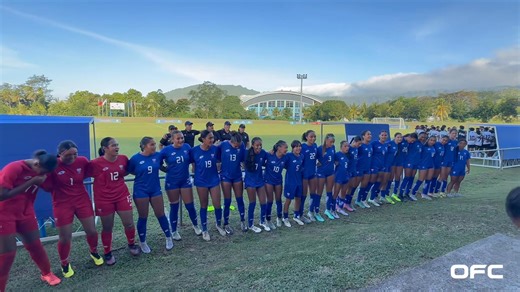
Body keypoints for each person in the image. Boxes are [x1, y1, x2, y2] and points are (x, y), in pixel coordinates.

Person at [0, 150, 61, 290]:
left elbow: (49, 186)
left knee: (35, 245)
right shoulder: (14, 168)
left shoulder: (42, 170)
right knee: (8, 254)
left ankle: (47, 273)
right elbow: (1, 195)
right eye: (42, 172)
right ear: (36, 164)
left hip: (25, 212)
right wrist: (32, 181)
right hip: (3, 214)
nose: (43, 175)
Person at [41, 141, 103, 278]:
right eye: (69, 155)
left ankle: (94, 251)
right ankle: (64, 263)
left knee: (92, 231)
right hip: (62, 204)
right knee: (65, 237)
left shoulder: (82, 161)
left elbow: (92, 171)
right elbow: (46, 187)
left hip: (82, 200)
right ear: (60, 154)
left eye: (75, 154)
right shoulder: (53, 165)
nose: (73, 157)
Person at [86, 137, 140, 265]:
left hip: (121, 195)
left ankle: (132, 244)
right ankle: (107, 252)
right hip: (104, 199)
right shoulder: (95, 163)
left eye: (117, 145)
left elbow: (125, 172)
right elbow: (82, 174)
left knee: (129, 223)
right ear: (105, 148)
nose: (117, 147)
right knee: (107, 227)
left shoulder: (123, 159)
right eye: (113, 145)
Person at [127, 137, 172, 254]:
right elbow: (130, 170)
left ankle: (168, 237)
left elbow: (161, 166)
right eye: (152, 144)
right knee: (143, 216)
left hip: (155, 189)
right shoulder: (135, 158)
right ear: (144, 146)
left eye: (155, 144)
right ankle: (143, 241)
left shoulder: (157, 156)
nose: (154, 146)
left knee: (160, 214)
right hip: (141, 190)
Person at [161, 131, 202, 240]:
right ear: (172, 140)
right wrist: (165, 169)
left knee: (190, 205)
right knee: (174, 207)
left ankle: (196, 225)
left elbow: (194, 158)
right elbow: (157, 161)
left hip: (185, 181)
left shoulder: (187, 147)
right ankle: (174, 230)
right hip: (172, 182)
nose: (180, 140)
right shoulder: (166, 150)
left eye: (182, 138)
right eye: (178, 138)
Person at [190, 130, 226, 241]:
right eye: (210, 138)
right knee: (204, 205)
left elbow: (219, 161)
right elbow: (192, 164)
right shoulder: (194, 150)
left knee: (217, 204)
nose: (212, 140)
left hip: (214, 180)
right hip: (201, 181)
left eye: (213, 138)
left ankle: (218, 225)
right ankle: (204, 229)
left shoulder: (215, 149)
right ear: (203, 139)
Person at [217, 132, 247, 233]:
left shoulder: (241, 145)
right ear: (231, 141)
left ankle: (243, 220)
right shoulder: (223, 145)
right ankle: (226, 223)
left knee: (240, 199)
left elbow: (243, 160)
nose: (237, 147)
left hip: (237, 176)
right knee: (227, 201)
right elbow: (216, 157)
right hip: (225, 177)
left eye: (238, 145)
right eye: (235, 145)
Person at [244, 137, 269, 232]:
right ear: (253, 145)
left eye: (260, 145)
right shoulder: (247, 153)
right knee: (252, 203)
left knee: (263, 202)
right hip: (250, 181)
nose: (259, 147)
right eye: (257, 145)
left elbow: (269, 157)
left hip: (260, 180)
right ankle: (250, 224)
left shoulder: (263, 153)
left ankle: (262, 221)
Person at [264, 140, 288, 229]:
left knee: (278, 200)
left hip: (278, 181)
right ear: (279, 148)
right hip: (269, 181)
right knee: (269, 200)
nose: (286, 149)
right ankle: (268, 219)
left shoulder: (285, 157)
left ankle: (279, 217)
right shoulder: (269, 155)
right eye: (285, 147)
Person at [282, 140, 305, 227]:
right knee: (288, 200)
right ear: (292, 148)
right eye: (296, 146)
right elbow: (283, 164)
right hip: (290, 182)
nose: (298, 148)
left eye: (299, 146)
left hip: (298, 181)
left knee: (298, 198)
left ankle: (296, 216)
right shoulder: (288, 156)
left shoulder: (301, 156)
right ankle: (285, 218)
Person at [316, 134, 336, 219]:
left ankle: (328, 210)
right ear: (326, 140)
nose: (332, 143)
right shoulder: (320, 149)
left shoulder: (333, 147)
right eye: (330, 142)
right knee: (319, 193)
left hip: (330, 172)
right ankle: (316, 212)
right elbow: (314, 158)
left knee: (329, 192)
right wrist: (317, 162)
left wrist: (336, 162)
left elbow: (333, 157)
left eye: (333, 142)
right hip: (321, 173)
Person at [411, 136, 436, 200]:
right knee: (421, 179)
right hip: (423, 165)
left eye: (434, 140)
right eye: (431, 140)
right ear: (428, 140)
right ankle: (413, 193)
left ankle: (424, 193)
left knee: (428, 180)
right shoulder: (423, 147)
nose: (432, 142)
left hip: (431, 165)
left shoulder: (433, 147)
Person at [367, 131, 389, 206]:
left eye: (385, 135)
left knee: (379, 181)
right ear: (379, 135)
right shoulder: (374, 143)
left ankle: (373, 197)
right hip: (374, 165)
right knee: (372, 181)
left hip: (381, 166)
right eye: (382, 135)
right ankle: (364, 198)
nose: (384, 136)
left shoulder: (386, 145)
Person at [301, 130, 318, 223]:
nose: (313, 138)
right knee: (303, 195)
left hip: (312, 173)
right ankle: (300, 214)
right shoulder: (302, 147)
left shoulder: (315, 146)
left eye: (314, 136)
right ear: (306, 137)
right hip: (304, 175)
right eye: (311, 136)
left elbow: (315, 158)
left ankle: (311, 212)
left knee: (313, 194)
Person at [437, 129, 458, 196]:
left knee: (446, 176)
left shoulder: (455, 142)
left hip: (450, 161)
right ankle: (436, 191)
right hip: (444, 161)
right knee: (442, 176)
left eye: (455, 133)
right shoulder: (446, 141)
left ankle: (443, 191)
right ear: (449, 133)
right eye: (453, 133)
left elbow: (455, 152)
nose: (454, 134)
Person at [355, 130, 373, 208]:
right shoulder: (360, 146)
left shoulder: (370, 145)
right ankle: (346, 202)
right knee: (354, 185)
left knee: (364, 185)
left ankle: (360, 200)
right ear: (363, 136)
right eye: (368, 134)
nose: (370, 136)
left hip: (367, 168)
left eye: (370, 134)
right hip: (360, 168)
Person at [343, 136, 362, 211]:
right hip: (348, 171)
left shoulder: (356, 149)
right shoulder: (349, 148)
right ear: (355, 141)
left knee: (352, 187)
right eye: (359, 144)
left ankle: (348, 203)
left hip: (354, 170)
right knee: (346, 188)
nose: (359, 145)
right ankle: (342, 203)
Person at [400, 133, 421, 201]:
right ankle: (400, 194)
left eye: (414, 140)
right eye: (412, 140)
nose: (412, 141)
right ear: (409, 137)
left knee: (412, 178)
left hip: (415, 163)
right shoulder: (404, 141)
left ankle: (407, 193)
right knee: (407, 177)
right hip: (408, 162)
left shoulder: (417, 142)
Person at [333, 141, 350, 216]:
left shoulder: (347, 155)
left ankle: (340, 207)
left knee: (344, 192)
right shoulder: (337, 155)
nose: (347, 148)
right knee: (336, 193)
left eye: (348, 146)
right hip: (338, 176)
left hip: (345, 176)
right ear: (341, 147)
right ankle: (333, 207)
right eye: (345, 146)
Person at [390, 133, 405, 202]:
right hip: (392, 163)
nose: (399, 139)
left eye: (401, 137)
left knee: (398, 177)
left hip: (400, 162)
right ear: (394, 137)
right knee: (390, 178)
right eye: (398, 137)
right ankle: (385, 194)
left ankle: (394, 193)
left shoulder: (402, 144)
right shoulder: (390, 143)